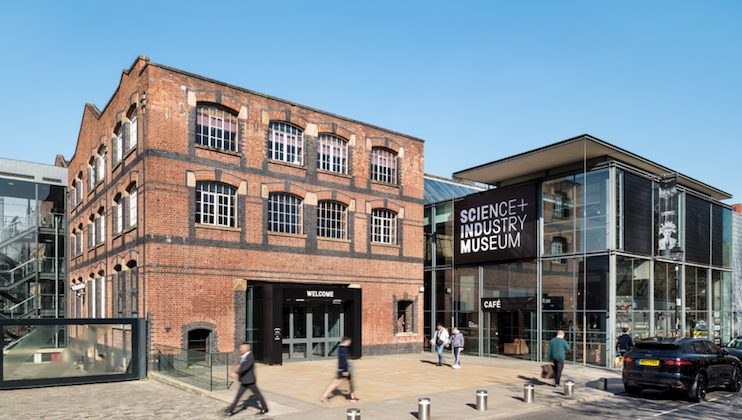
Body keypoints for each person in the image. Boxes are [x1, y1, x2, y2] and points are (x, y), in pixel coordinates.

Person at [226, 343, 268, 416]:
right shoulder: (245, 356)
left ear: (247, 348)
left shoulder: (250, 356)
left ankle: (265, 408)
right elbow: (244, 365)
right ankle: (230, 409)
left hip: (249, 380)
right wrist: (239, 366)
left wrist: (237, 373)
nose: (240, 349)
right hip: (245, 380)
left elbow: (246, 367)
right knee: (238, 396)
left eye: (242, 348)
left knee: (258, 395)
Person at [320, 336, 359, 403]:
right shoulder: (343, 349)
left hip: (342, 368)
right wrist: (345, 370)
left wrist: (347, 365)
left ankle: (353, 397)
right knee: (336, 383)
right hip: (343, 370)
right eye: (349, 341)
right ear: (345, 341)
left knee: (348, 382)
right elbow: (343, 360)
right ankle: (325, 396)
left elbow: (343, 360)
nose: (350, 342)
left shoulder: (341, 348)